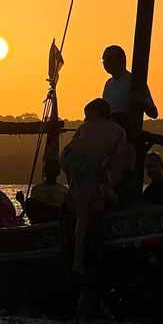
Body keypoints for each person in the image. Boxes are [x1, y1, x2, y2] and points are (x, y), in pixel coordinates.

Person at [60, 98, 127, 279]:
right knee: (84, 215)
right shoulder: (119, 132)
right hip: (86, 164)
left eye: (86, 113)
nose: (84, 118)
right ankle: (77, 263)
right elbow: (118, 162)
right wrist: (112, 188)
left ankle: (71, 191)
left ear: (97, 112)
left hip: (67, 155)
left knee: (87, 193)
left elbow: (74, 158)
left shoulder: (85, 127)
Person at [101, 45, 158, 118]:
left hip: (124, 126)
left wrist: (141, 102)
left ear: (122, 60)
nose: (107, 62)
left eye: (111, 58)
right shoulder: (108, 83)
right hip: (110, 126)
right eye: (104, 59)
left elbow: (154, 113)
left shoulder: (134, 81)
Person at [110, 112, 139, 209]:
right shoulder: (118, 147)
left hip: (123, 192)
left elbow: (118, 176)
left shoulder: (126, 148)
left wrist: (105, 167)